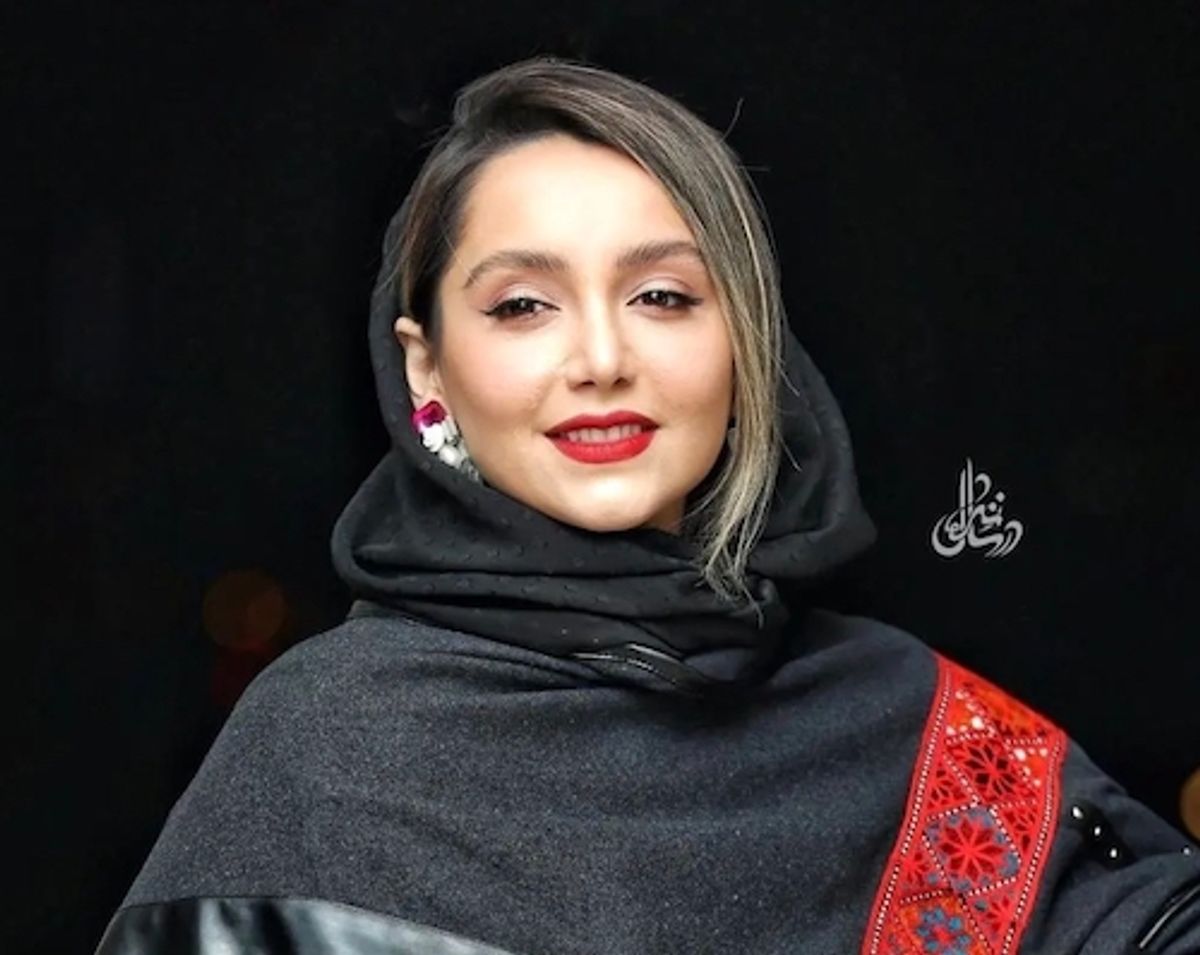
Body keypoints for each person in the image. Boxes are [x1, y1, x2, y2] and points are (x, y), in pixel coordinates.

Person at [96, 56, 1199, 954]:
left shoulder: (915, 732)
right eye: (522, 305)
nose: (602, 357)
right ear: (426, 367)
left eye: (663, 295)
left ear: (748, 343)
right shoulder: (321, 755)